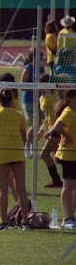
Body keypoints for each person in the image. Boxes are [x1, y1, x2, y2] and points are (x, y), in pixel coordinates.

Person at [0, 89, 30, 229]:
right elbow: (24, 136)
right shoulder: (19, 115)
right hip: (17, 154)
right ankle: (26, 222)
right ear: (11, 99)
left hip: (1, 155)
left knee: (3, 189)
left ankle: (4, 222)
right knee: (21, 189)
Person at [53, 90, 76, 228]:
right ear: (71, 98)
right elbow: (57, 126)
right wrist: (67, 136)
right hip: (68, 154)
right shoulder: (68, 111)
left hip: (74, 154)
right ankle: (67, 218)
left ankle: (71, 216)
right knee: (68, 185)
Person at [38, 74, 64, 188]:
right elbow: (47, 117)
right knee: (58, 157)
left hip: (56, 129)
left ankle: (57, 180)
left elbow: (59, 115)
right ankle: (61, 180)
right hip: (50, 129)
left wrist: (52, 129)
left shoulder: (53, 98)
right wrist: (42, 129)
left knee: (44, 154)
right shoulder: (42, 97)